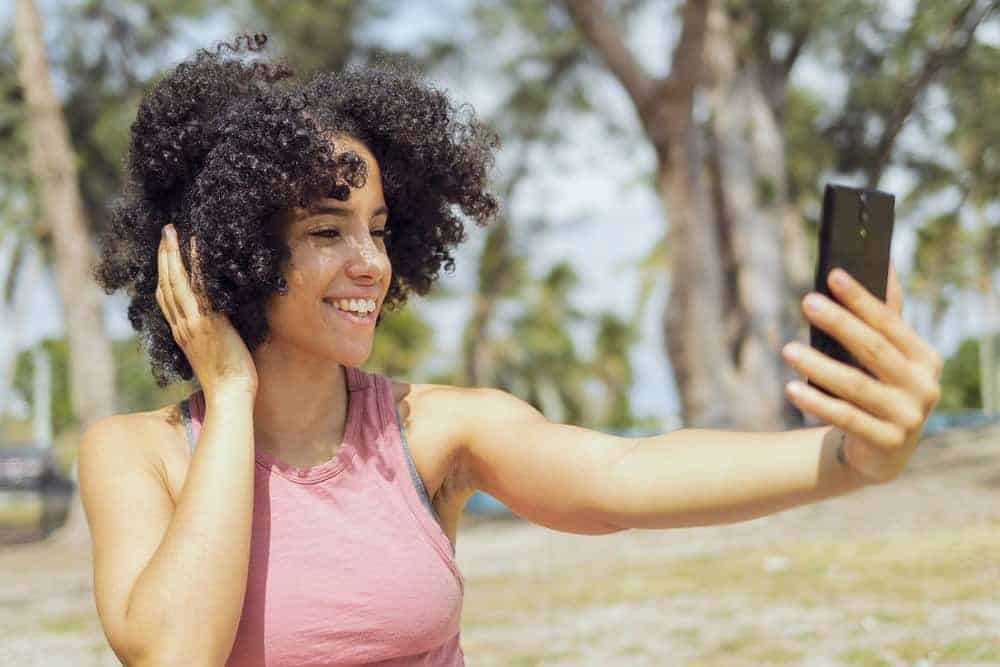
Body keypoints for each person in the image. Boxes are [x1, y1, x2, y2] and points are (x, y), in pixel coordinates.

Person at [77, 34, 943, 667]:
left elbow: (625, 479)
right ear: (230, 249)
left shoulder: (431, 432)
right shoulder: (136, 454)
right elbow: (174, 652)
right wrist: (228, 398)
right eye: (326, 230)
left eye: (378, 229)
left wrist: (848, 457)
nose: (370, 263)